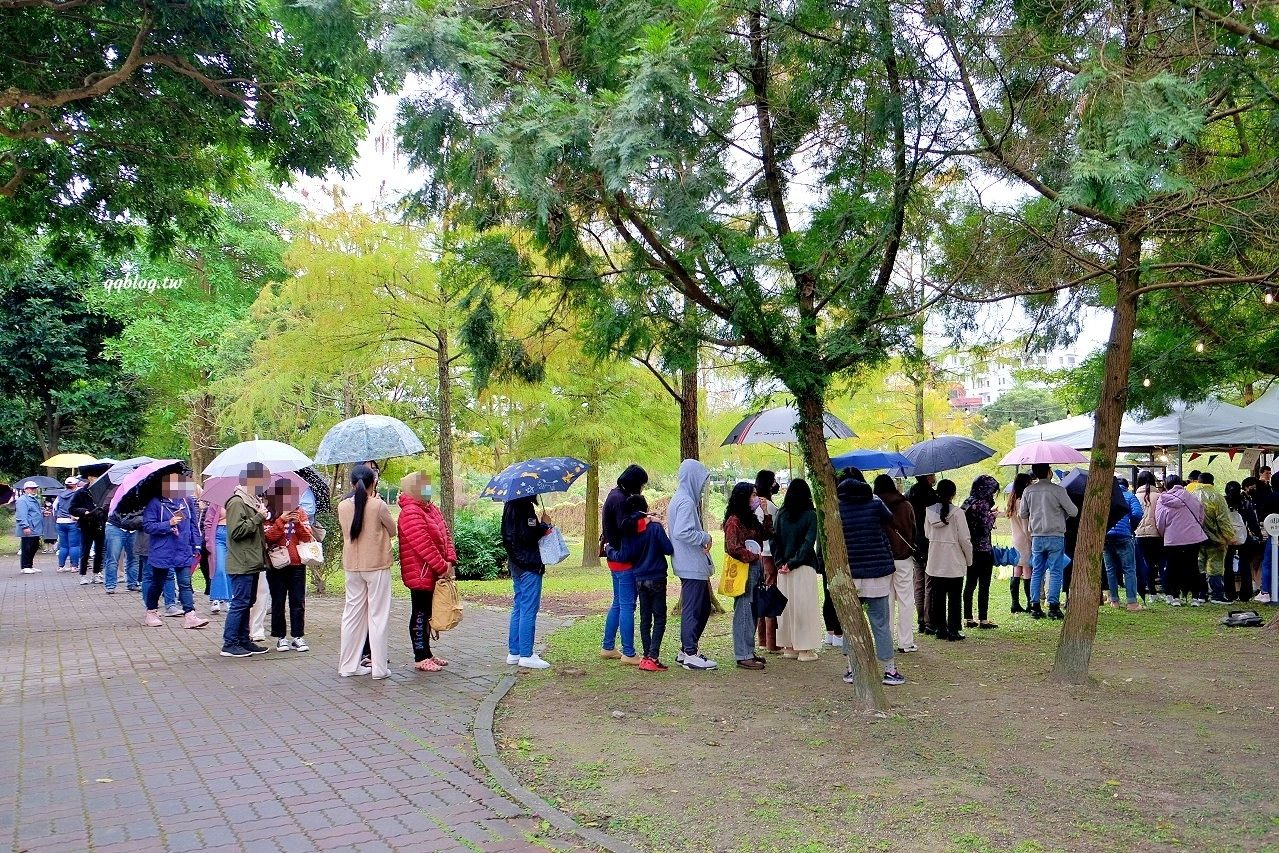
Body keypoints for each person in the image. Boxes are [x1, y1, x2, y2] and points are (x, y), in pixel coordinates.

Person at [837, 467, 904, 686]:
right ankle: (889, 670)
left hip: (850, 575)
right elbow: (891, 521)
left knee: (851, 623)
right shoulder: (874, 502)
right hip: (876, 574)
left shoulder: (836, 507)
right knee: (881, 623)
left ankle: (851, 669)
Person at [337, 464, 397, 678]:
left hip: (352, 566)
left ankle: (348, 666)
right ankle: (379, 669)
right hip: (377, 566)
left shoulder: (342, 506)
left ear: (352, 483)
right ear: (373, 483)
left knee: (352, 615)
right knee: (377, 616)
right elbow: (392, 530)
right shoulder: (378, 505)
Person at [606, 494, 674, 672]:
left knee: (645, 618)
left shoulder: (629, 530)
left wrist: (609, 549)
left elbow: (626, 554)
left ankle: (645, 656)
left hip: (639, 578)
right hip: (657, 576)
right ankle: (653, 656)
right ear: (645, 507)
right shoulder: (655, 527)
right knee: (659, 617)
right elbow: (668, 548)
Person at [397, 472, 455, 671]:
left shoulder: (432, 509)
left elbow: (445, 534)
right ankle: (420, 656)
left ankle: (428, 653)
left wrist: (450, 560)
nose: (427, 489)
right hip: (420, 573)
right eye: (423, 486)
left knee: (429, 612)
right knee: (420, 613)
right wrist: (441, 567)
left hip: (436, 571)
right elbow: (423, 545)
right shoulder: (410, 512)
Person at [141, 472, 209, 629]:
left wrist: (196, 545)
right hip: (162, 550)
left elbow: (193, 524)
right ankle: (151, 612)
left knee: (185, 582)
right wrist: (168, 523)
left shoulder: (185, 500)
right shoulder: (155, 503)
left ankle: (190, 615)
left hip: (183, 548)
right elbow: (148, 526)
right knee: (158, 582)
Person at [221, 463, 273, 658]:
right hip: (241, 562)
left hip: (252, 561)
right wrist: (258, 518)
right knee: (240, 602)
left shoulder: (252, 501)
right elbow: (236, 532)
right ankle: (230, 642)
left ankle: (244, 640)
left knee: (247, 601)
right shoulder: (236, 502)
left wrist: (261, 516)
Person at [669, 459, 717, 671]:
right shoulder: (686, 501)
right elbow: (682, 531)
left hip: (688, 562)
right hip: (691, 564)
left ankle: (686, 650)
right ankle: (690, 652)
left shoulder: (679, 498)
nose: (703, 485)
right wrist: (704, 536)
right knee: (695, 608)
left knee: (703, 606)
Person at [600, 464, 648, 663]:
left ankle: (608, 646)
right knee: (627, 606)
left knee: (618, 603)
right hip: (624, 560)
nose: (642, 489)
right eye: (642, 485)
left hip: (614, 559)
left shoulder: (613, 495)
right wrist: (646, 522)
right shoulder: (620, 499)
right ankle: (629, 653)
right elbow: (624, 526)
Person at [771, 478, 822, 661]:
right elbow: (808, 543)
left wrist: (781, 563)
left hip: (783, 569)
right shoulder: (811, 515)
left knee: (787, 609)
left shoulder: (781, 514)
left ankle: (789, 646)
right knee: (804, 607)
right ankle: (805, 650)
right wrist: (792, 563)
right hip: (803, 567)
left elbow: (773, 540)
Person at [1018, 463, 1078, 620]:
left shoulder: (1028, 491)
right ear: (1049, 472)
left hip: (1037, 535)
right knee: (1056, 571)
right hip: (1056, 535)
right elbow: (1073, 511)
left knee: (1037, 570)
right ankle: (1053, 607)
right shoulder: (1058, 490)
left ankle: (1035, 607)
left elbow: (1023, 513)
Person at [723, 481, 771, 671]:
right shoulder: (734, 520)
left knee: (753, 610)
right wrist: (753, 556)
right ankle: (742, 654)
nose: (755, 498)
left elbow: (767, 534)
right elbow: (732, 547)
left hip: (755, 567)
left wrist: (766, 513)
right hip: (743, 569)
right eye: (752, 495)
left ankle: (748, 651)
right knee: (743, 610)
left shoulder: (750, 519)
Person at [263, 479, 315, 653]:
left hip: (297, 563)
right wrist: (281, 521)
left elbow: (307, 537)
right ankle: (280, 637)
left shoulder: (300, 512)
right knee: (278, 601)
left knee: (298, 601)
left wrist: (298, 522)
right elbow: (267, 538)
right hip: (276, 564)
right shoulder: (270, 514)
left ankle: (298, 636)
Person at [501, 493, 552, 669]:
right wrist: (544, 525)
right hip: (528, 563)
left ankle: (514, 652)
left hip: (515, 563)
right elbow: (529, 535)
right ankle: (526, 654)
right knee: (529, 608)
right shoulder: (525, 507)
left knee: (519, 607)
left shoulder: (509, 505)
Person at [873, 474, 918, 653]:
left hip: (882, 558)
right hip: (903, 557)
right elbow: (913, 530)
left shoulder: (874, 506)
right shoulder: (905, 505)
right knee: (906, 599)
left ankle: (886, 640)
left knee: (886, 600)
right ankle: (905, 642)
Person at [925, 479, 972, 640]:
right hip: (954, 561)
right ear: (953, 494)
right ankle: (953, 630)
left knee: (937, 597)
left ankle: (940, 629)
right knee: (954, 597)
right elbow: (965, 539)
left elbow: (926, 534)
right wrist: (969, 559)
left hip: (935, 560)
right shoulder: (958, 513)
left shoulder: (929, 511)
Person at [1155, 474, 1206, 607]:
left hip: (1173, 538)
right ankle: (1195, 598)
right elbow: (1201, 515)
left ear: (1166, 485)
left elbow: (1160, 521)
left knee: (1173, 567)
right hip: (1193, 537)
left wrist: (1164, 534)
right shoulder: (1192, 497)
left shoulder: (1163, 499)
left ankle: (1176, 597)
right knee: (1193, 566)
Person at [961, 475, 1000, 629]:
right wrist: (992, 516)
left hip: (970, 549)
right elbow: (984, 528)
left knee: (969, 583)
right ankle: (983, 619)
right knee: (984, 585)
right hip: (983, 550)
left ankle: (968, 618)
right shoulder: (983, 504)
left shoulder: (968, 501)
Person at [1192, 472, 1235, 604]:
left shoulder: (1191, 496)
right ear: (1212, 482)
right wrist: (1230, 536)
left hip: (1195, 537)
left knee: (1200, 565)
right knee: (1215, 566)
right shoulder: (1217, 497)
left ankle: (1200, 594)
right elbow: (1223, 519)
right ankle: (1217, 595)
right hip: (1216, 539)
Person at [1103, 476, 1144, 611]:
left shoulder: (1106, 496)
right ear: (1127, 487)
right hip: (1124, 536)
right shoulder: (1130, 496)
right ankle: (1132, 602)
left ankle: (1114, 601)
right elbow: (1138, 513)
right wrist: (1131, 527)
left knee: (1110, 570)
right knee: (1129, 569)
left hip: (1107, 536)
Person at [753, 470, 782, 654]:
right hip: (769, 555)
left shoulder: (755, 504)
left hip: (758, 555)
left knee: (762, 595)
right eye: (774, 481)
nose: (776, 484)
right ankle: (773, 642)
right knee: (771, 596)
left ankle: (763, 639)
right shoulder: (768, 506)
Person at [906, 474, 939, 635]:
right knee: (929, 583)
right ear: (927, 477)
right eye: (932, 475)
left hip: (913, 543)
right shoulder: (932, 496)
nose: (934, 477)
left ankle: (920, 620)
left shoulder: (908, 494)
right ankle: (929, 620)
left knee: (918, 582)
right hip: (929, 542)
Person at [70, 462, 111, 583]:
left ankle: (96, 573)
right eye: (96, 477)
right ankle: (83, 574)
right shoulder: (81, 492)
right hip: (87, 525)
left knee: (100, 550)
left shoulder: (105, 492)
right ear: (90, 478)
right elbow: (72, 508)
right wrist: (85, 512)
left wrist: (104, 511)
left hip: (101, 523)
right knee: (85, 550)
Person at [1133, 471, 1164, 604]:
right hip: (1157, 534)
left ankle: (1151, 592)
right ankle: (1168, 591)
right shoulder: (1159, 496)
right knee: (1159, 563)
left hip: (1139, 534)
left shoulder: (1134, 496)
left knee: (1144, 564)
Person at [1228, 479, 1261, 602]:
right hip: (1244, 538)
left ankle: (1229, 592)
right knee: (1245, 565)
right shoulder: (1245, 503)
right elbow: (1252, 522)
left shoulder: (1224, 502)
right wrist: (1258, 534)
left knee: (1228, 565)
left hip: (1228, 538)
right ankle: (1245, 594)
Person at [1006, 473, 1033, 612]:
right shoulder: (1022, 501)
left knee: (1017, 569)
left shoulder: (1011, 500)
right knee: (1027, 570)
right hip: (1024, 540)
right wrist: (1031, 539)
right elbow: (1025, 526)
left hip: (1015, 539)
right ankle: (1030, 603)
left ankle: (1015, 603)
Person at [53, 477, 82, 573]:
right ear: (75, 485)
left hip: (60, 522)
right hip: (72, 522)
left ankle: (61, 566)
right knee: (74, 545)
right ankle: (74, 566)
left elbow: (54, 507)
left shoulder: (60, 495)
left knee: (63, 546)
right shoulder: (76, 495)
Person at [15, 481, 44, 574]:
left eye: (35, 488)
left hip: (35, 527)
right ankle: (25, 566)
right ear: (26, 489)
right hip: (29, 527)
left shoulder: (34, 499)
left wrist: (43, 513)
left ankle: (30, 565)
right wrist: (25, 526)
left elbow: (35, 511)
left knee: (34, 546)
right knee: (26, 547)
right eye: (32, 488)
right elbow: (21, 515)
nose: (34, 490)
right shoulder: (22, 500)